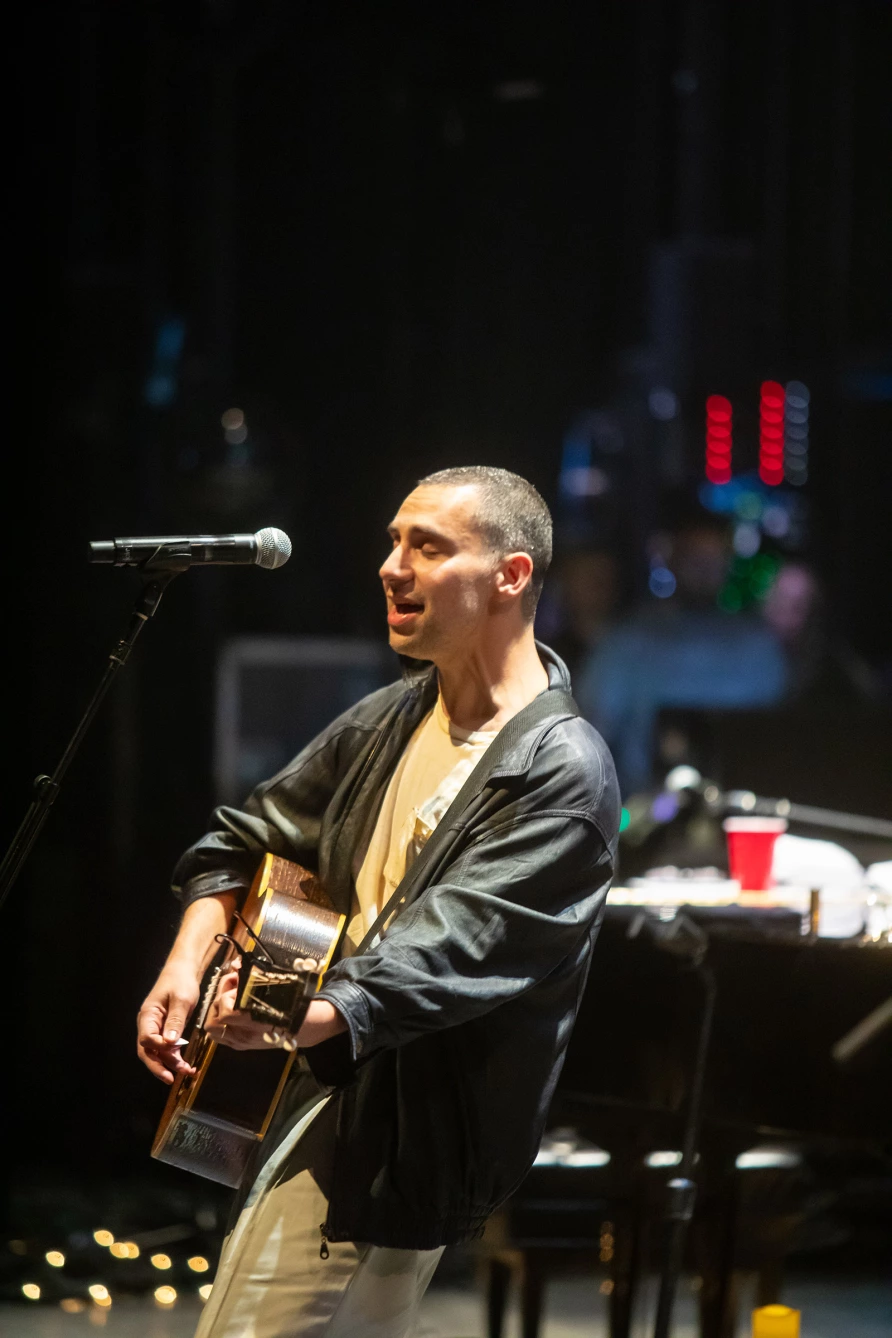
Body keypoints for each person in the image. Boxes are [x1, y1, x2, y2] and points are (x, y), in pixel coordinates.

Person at [136, 465, 620, 1338]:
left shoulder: (562, 770)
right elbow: (246, 835)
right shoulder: (395, 717)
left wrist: (294, 1012)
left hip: (401, 1132)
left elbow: (455, 947)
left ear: (510, 576)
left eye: (427, 547)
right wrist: (189, 954)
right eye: (393, 543)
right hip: (325, 1087)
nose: (393, 566)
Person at [577, 511, 787, 797]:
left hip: (744, 813)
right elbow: (584, 745)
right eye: (695, 558)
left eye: (714, 559)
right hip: (643, 820)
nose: (704, 570)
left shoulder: (758, 647)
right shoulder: (627, 643)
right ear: (671, 557)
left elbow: (782, 744)